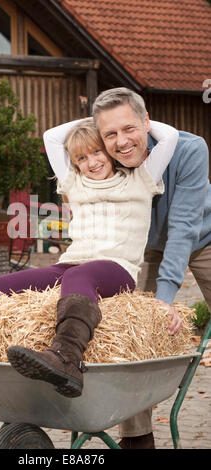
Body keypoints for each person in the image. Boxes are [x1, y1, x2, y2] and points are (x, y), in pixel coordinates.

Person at [0, 102, 178, 405]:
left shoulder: (141, 179)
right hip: (69, 267)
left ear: (110, 149)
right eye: (81, 157)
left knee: (80, 275)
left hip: (116, 269)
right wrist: (97, 120)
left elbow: (169, 137)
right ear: (74, 164)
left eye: (97, 151)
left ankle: (66, 358)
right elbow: (52, 136)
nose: (90, 162)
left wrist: (112, 124)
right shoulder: (75, 184)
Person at [90, 87, 211, 449]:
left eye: (129, 128)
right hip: (141, 247)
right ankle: (137, 438)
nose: (121, 142)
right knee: (129, 328)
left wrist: (165, 299)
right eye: (109, 134)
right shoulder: (105, 157)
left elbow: (183, 229)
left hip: (203, 235)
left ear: (147, 121)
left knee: (157, 306)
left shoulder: (189, 149)